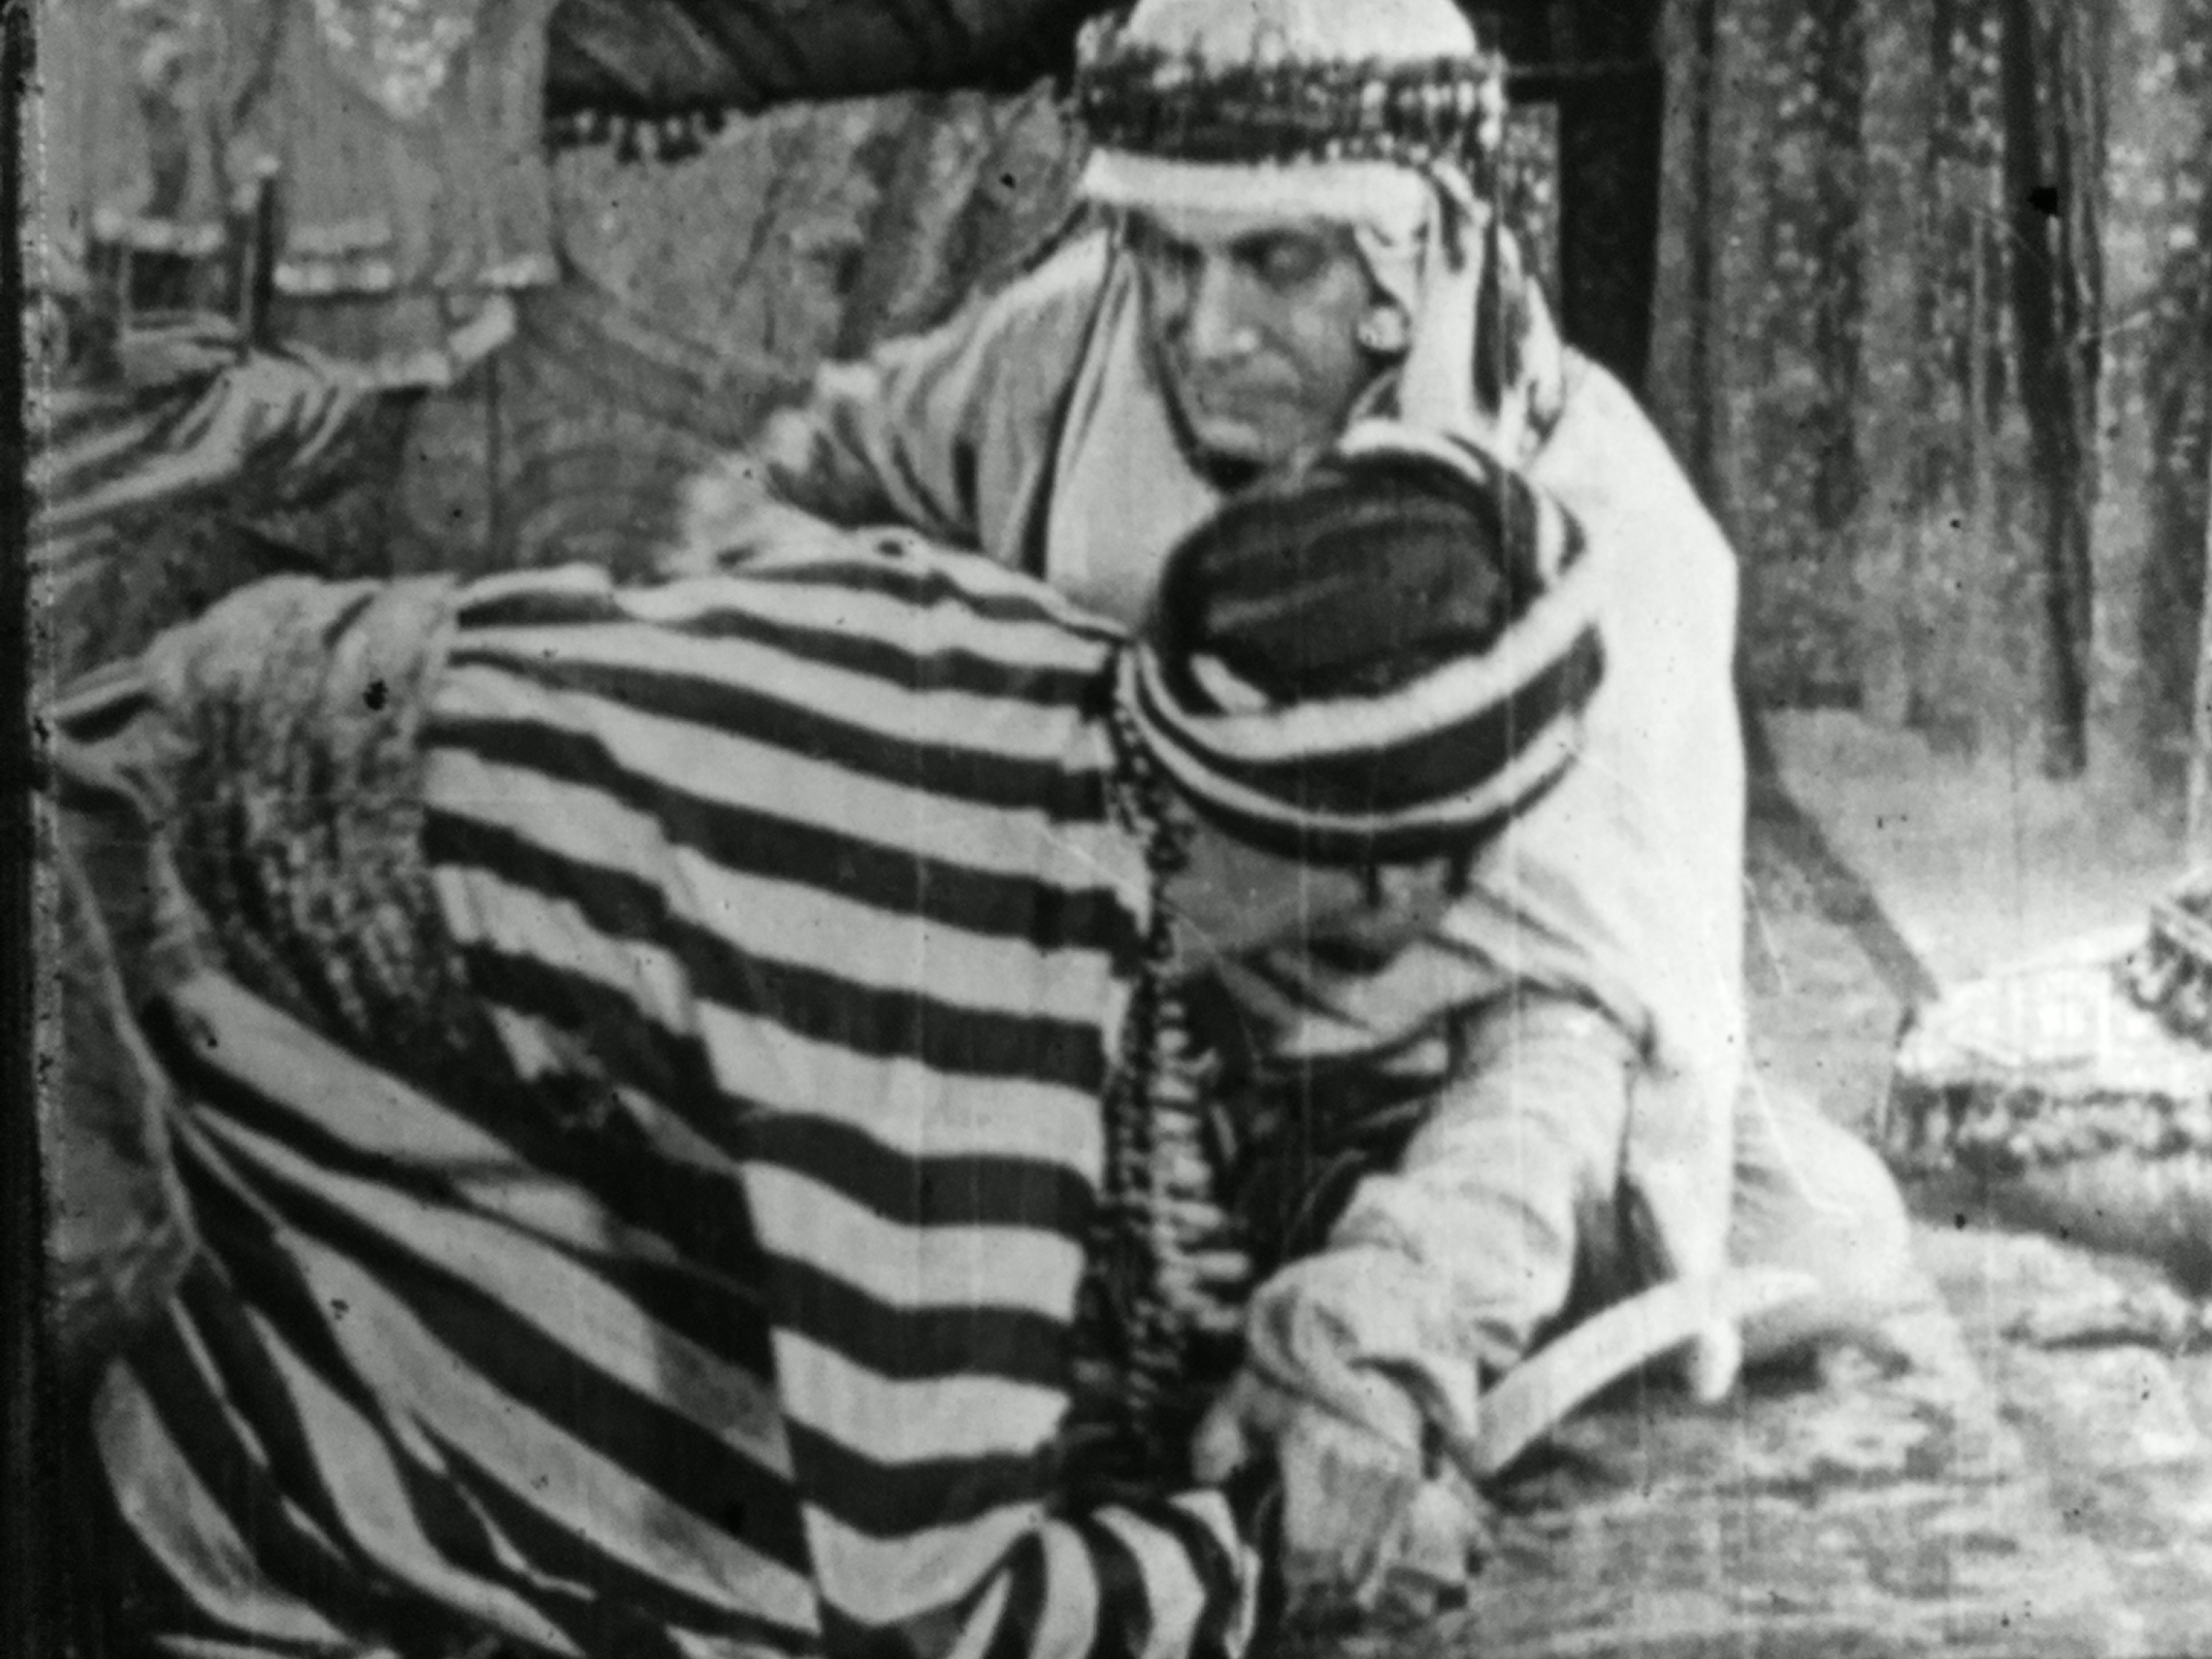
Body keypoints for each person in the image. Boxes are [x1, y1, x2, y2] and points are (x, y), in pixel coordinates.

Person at [673, 0, 1916, 1610]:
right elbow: (781, 487)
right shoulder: (1076, 341)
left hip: (1424, 1097)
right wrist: (946, 704)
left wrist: (1373, 1342)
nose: (1204, 330)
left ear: (1412, 258)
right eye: (1168, 255)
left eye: (1278, 264)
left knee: (1806, 1235)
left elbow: (1555, 1047)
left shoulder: (1600, 524)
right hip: (1068, 990)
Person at [49, 422, 1600, 1658]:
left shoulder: (1027, 661)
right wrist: (1259, 1558)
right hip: (140, 993)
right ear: (1401, 870)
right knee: (726, 1563)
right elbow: (930, 1620)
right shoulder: (965, 1004)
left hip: (248, 826)